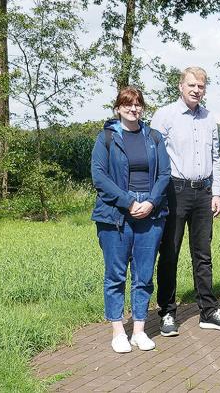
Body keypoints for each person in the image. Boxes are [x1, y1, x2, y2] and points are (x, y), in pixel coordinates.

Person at [152, 67, 220, 335]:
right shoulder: (165, 115)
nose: (196, 90)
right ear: (180, 86)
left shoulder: (210, 118)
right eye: (191, 85)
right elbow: (154, 156)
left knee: (203, 254)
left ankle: (208, 311)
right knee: (169, 254)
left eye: (200, 86)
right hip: (174, 191)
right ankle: (166, 313)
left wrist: (216, 193)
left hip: (203, 193)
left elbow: (214, 157)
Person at [91, 86, 171, 353]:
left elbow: (164, 175)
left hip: (151, 214)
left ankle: (139, 330)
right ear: (118, 108)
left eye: (138, 104)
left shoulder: (154, 138)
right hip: (115, 215)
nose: (133, 108)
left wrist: (150, 202)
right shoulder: (106, 138)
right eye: (128, 104)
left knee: (144, 275)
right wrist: (129, 202)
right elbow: (99, 177)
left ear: (143, 108)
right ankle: (117, 331)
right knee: (115, 275)